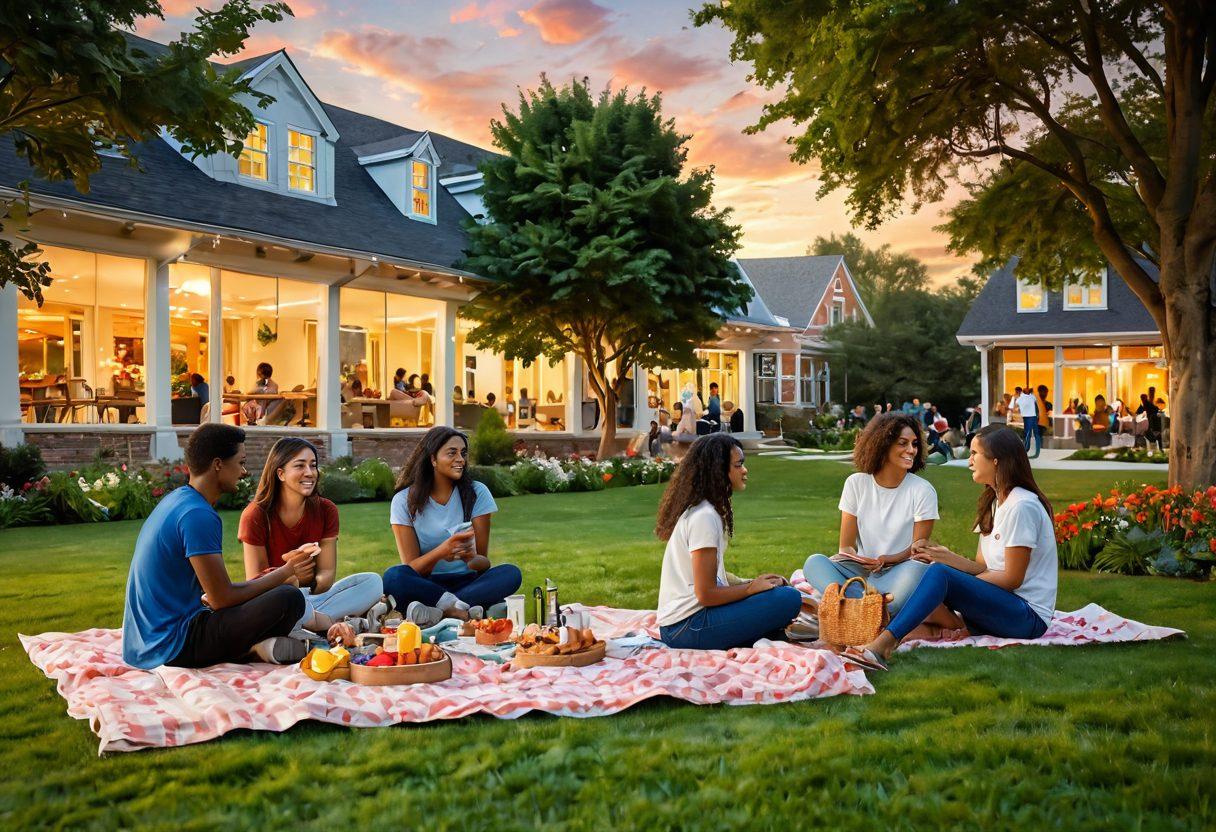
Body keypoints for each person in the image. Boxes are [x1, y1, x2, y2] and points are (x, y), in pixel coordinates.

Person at [845, 426, 1057, 670]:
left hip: (1026, 617)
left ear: (996, 461)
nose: (969, 462)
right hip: (1001, 605)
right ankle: (904, 632)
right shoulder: (996, 502)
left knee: (938, 577)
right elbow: (983, 568)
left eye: (975, 454)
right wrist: (948, 558)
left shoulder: (1022, 506)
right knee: (934, 574)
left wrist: (951, 577)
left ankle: (883, 645)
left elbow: (1012, 579)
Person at [122, 424, 311, 669]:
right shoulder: (197, 514)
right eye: (240, 462)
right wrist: (286, 572)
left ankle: (257, 647)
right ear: (218, 464)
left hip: (143, 642)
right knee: (289, 598)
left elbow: (214, 594)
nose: (243, 472)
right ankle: (254, 648)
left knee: (267, 592)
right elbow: (222, 598)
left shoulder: (177, 499)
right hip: (172, 646)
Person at [656, 434, 802, 650]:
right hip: (685, 627)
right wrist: (751, 589)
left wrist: (754, 582)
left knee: (776, 595)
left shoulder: (706, 512)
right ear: (718, 470)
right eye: (738, 465)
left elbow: (714, 578)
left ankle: (763, 634)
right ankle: (764, 634)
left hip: (686, 625)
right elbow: (706, 594)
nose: (745, 470)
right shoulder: (704, 517)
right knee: (789, 599)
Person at [239, 438, 383, 641]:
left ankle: (307, 625)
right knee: (285, 605)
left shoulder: (326, 510)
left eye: (313, 465)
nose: (309, 472)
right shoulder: (255, 514)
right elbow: (253, 582)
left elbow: (326, 575)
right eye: (300, 465)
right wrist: (288, 572)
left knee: (372, 583)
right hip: (275, 601)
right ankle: (333, 624)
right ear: (280, 473)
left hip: (315, 598)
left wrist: (306, 580)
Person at [802, 413, 941, 617]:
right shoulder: (856, 483)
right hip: (861, 571)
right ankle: (872, 609)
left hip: (901, 570)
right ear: (882, 445)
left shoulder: (923, 490)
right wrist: (858, 559)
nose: (911, 450)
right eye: (903, 443)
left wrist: (886, 560)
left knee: (918, 571)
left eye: (914, 444)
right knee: (814, 563)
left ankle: (851, 608)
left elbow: (917, 550)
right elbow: (846, 545)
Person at [382, 427, 522, 625]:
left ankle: (441, 611)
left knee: (511, 573)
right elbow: (412, 568)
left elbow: (483, 564)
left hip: (469, 582)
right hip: (426, 584)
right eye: (452, 453)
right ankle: (461, 607)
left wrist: (470, 557)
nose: (461, 459)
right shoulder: (403, 500)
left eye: (463, 453)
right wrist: (442, 551)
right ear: (432, 459)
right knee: (393, 577)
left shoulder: (477, 493)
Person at [1014, 385, 1039, 458]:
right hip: (1032, 416)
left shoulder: (1020, 398)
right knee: (1035, 434)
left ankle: (1025, 450)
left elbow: (1015, 407)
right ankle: (1035, 451)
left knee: (1028, 433)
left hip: (1028, 417)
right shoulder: (1032, 397)